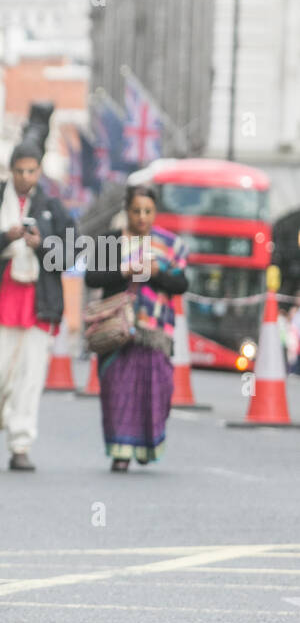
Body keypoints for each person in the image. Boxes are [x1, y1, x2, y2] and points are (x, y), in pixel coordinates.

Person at [0, 141, 73, 471]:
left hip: (39, 305)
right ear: (10, 171)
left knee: (29, 379)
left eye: (31, 170)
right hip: (0, 302)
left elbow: (69, 255)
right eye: (19, 170)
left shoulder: (54, 208)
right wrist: (4, 238)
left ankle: (20, 445)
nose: (25, 176)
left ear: (39, 172)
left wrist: (42, 245)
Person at [85, 184, 187, 471]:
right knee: (117, 391)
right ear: (126, 211)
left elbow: (181, 284)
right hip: (116, 331)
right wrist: (124, 271)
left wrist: (158, 272)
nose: (142, 217)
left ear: (155, 212)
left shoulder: (168, 245)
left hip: (154, 333)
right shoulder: (110, 242)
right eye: (136, 211)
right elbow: (92, 278)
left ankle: (145, 447)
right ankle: (120, 451)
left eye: (148, 211)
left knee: (156, 390)